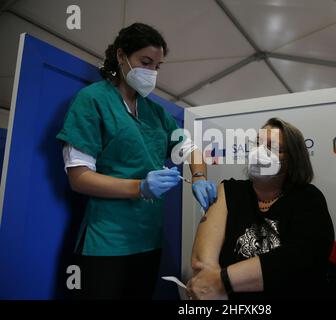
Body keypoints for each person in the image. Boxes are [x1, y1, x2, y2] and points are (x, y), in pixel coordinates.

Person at [56, 23, 216, 299]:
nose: (152, 72)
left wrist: (199, 177)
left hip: (149, 238)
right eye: (145, 62)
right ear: (121, 56)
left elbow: (191, 148)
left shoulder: (155, 111)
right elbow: (78, 178)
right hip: (108, 241)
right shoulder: (92, 100)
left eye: (157, 66)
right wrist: (140, 187)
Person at [187, 118, 335, 300]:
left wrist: (221, 282)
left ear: (292, 159)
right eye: (257, 143)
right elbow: (202, 260)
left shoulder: (308, 198)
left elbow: (302, 259)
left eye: (273, 148)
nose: (259, 152)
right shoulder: (229, 191)